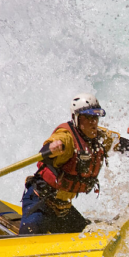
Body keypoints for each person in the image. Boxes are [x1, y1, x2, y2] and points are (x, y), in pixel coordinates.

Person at [20, 93, 115, 235]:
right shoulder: (66, 137)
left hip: (63, 209)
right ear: (76, 118)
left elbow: (128, 146)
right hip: (39, 203)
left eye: (95, 117)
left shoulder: (100, 137)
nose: (93, 122)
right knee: (28, 238)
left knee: (86, 237)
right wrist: (52, 148)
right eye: (87, 118)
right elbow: (48, 148)